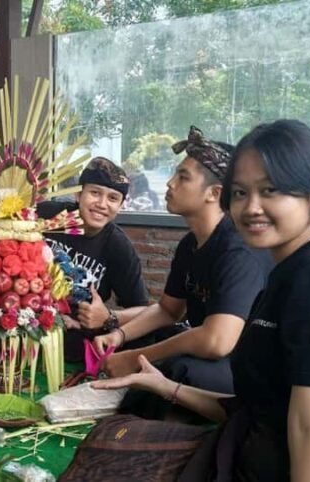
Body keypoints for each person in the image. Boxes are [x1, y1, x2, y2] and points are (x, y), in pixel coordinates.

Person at [93, 119, 310, 481]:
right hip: (261, 441)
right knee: (108, 447)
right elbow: (253, 409)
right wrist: (161, 385)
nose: (252, 207)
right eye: (240, 193)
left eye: (271, 190)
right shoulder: (283, 273)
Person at [92, 126, 271, 419]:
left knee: (177, 368)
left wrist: (136, 359)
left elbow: (217, 342)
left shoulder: (237, 250)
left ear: (215, 193)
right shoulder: (191, 244)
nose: (170, 184)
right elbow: (167, 309)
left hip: (246, 367)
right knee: (146, 340)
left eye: (183, 177)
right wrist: (119, 336)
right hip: (217, 355)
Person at [37, 157, 149, 361]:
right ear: (79, 194)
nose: (102, 204)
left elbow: (144, 312)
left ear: (121, 205)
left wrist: (108, 318)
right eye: (95, 193)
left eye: (113, 198)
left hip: (72, 348)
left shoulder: (118, 247)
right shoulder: (48, 216)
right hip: (24, 329)